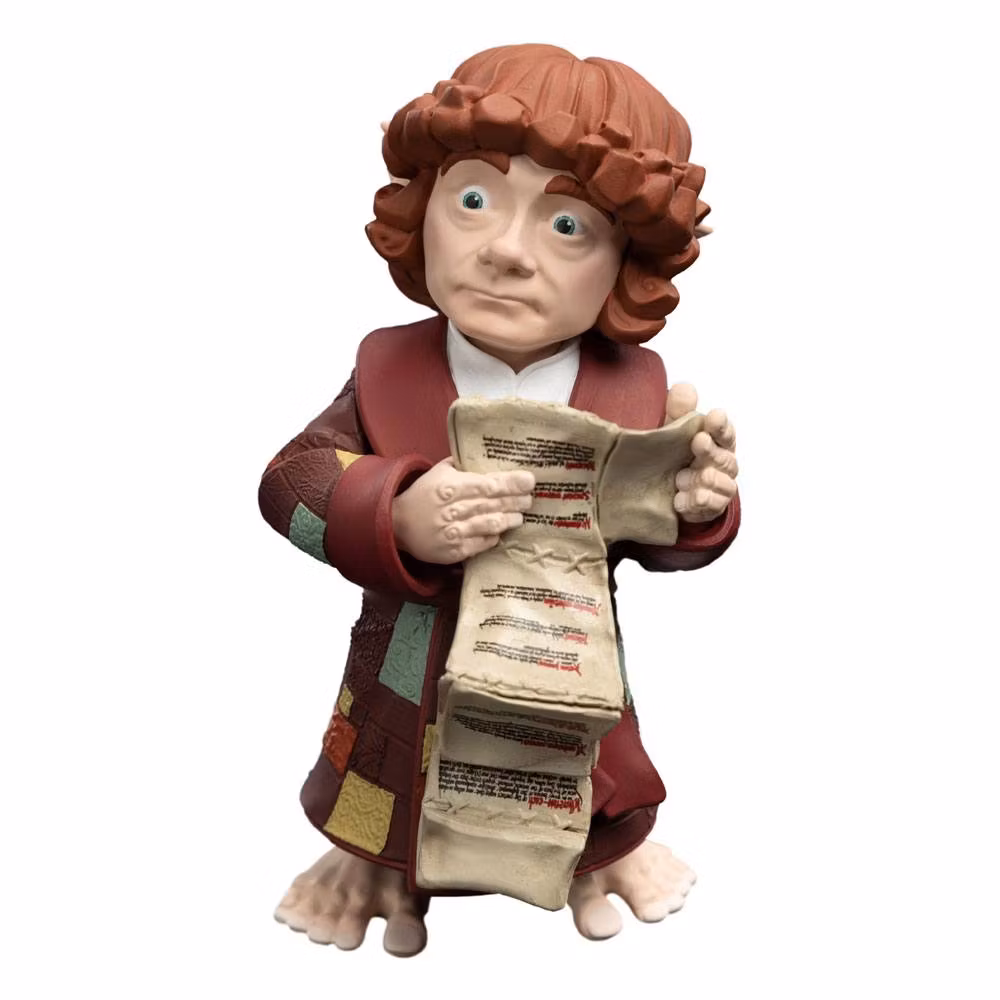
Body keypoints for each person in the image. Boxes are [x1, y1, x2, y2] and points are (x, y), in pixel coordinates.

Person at [259, 43, 740, 957]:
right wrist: (393, 509)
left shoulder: (634, 388)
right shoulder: (387, 368)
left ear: (627, 262)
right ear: (423, 207)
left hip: (565, 656)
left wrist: (696, 502)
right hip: (410, 659)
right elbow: (291, 480)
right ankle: (380, 866)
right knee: (388, 771)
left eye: (567, 225)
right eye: (474, 200)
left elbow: (665, 536)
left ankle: (596, 858)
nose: (508, 252)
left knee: (582, 763)